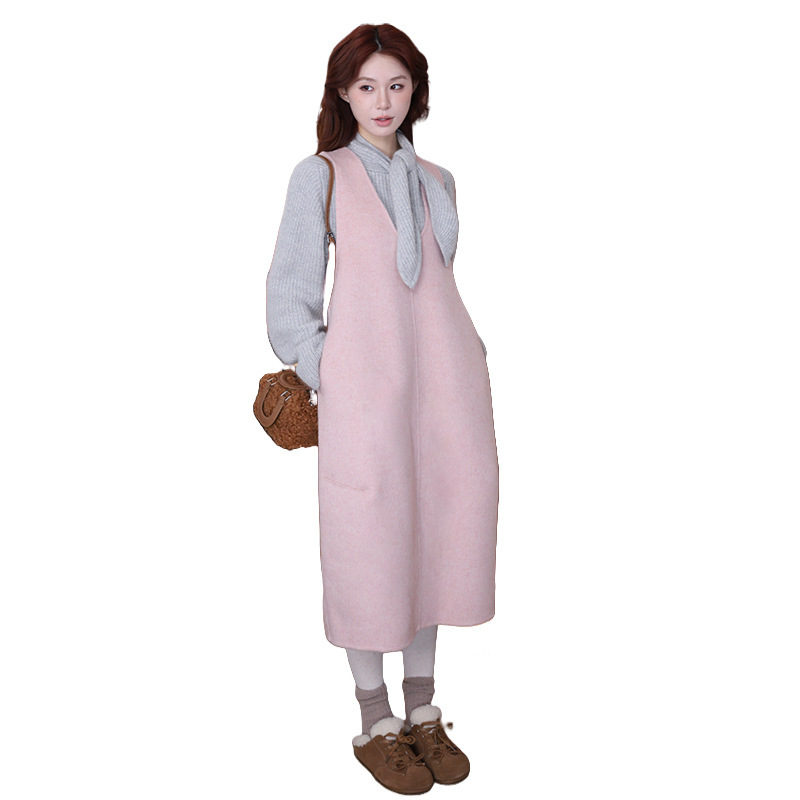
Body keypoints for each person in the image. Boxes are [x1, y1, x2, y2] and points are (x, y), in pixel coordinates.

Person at [266, 23, 499, 793]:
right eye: (366, 86)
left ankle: (424, 710)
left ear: (415, 90)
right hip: (366, 394)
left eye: (396, 84)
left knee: (437, 534)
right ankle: (376, 720)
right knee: (368, 541)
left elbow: (435, 282)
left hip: (447, 388)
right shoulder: (321, 175)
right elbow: (291, 291)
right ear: (343, 91)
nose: (382, 100)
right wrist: (329, 371)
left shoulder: (438, 179)